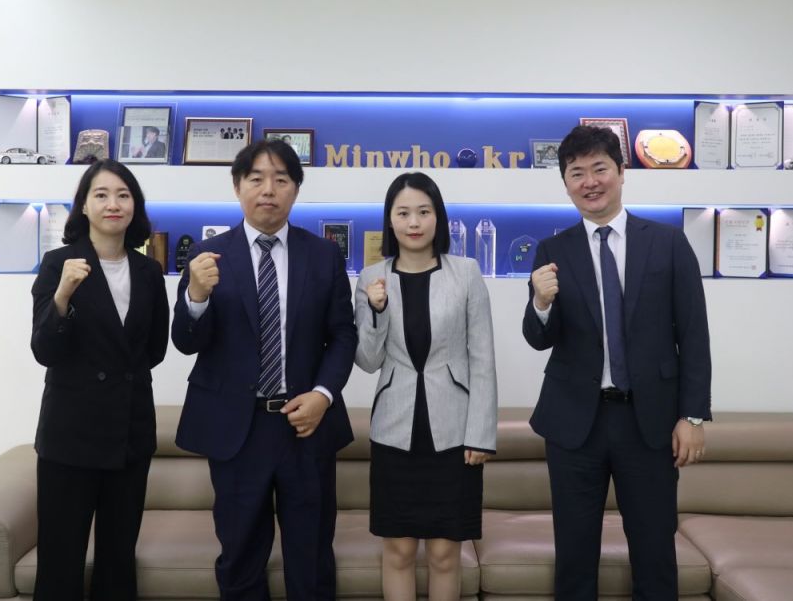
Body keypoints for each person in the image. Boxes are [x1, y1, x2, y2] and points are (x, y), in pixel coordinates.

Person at [522, 125, 712, 600]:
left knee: (654, 549)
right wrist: (540, 302)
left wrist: (692, 416)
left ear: (622, 172)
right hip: (574, 423)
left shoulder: (667, 243)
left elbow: (693, 335)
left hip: (649, 421)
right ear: (566, 183)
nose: (590, 181)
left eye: (599, 168)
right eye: (576, 173)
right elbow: (539, 338)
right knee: (574, 552)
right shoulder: (553, 250)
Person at [173, 139, 357, 600]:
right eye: (256, 179)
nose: (268, 189)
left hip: (305, 425)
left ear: (296, 188)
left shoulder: (323, 255)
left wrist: (323, 395)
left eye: (281, 179)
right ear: (238, 187)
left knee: (311, 558)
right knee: (240, 557)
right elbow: (186, 341)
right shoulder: (207, 256)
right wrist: (196, 296)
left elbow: (343, 335)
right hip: (237, 429)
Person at [30, 159, 170, 600]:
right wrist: (63, 296)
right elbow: (44, 350)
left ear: (135, 207)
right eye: (102, 195)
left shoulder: (149, 271)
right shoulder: (58, 264)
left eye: (123, 195)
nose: (114, 204)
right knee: (60, 558)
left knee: (117, 556)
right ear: (84, 206)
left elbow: (155, 349)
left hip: (129, 432)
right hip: (70, 435)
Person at [355, 172, 497, 600]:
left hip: (454, 433)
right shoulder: (371, 277)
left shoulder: (466, 273)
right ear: (390, 220)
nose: (413, 222)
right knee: (398, 550)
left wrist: (481, 434)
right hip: (394, 430)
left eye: (423, 211)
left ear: (438, 217)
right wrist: (376, 310)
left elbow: (482, 358)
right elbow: (367, 360)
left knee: (444, 553)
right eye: (403, 213)